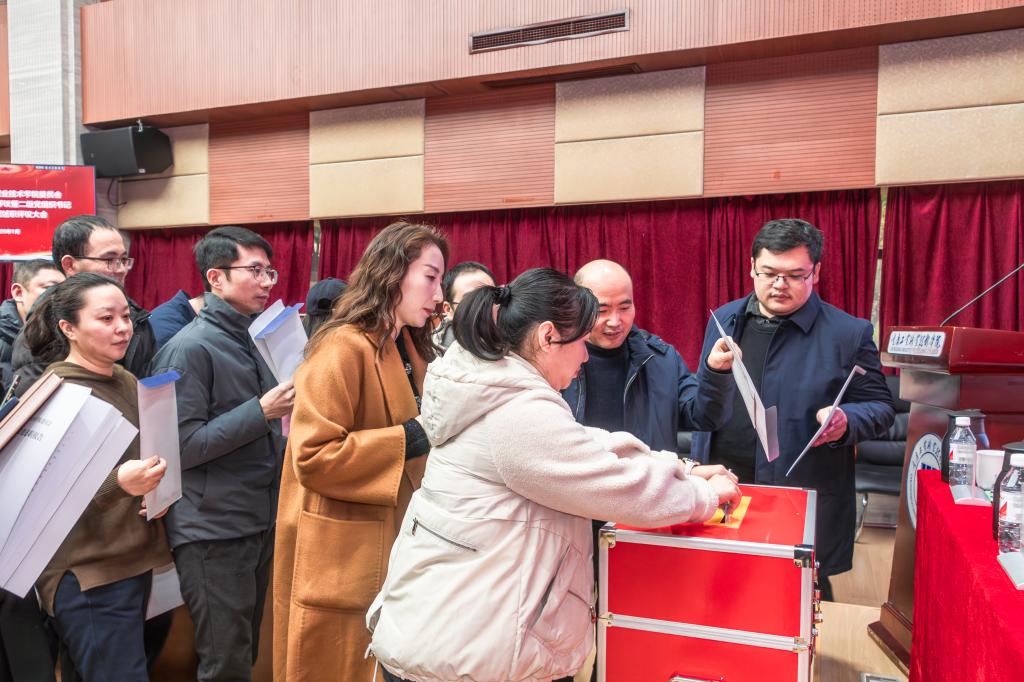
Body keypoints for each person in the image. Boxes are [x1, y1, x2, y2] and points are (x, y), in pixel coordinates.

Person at [366, 268, 741, 682]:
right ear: (547, 337)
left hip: (452, 628)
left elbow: (584, 445)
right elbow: (621, 489)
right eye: (580, 342)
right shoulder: (517, 413)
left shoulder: (496, 385)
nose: (585, 356)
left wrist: (681, 468)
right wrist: (703, 497)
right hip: (467, 653)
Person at [273, 221, 448, 682]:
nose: (438, 294)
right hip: (343, 548)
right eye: (430, 277)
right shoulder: (341, 347)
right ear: (392, 273)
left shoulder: (407, 343)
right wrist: (412, 437)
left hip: (395, 537)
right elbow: (313, 456)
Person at [692, 218, 895, 601]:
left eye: (794, 275)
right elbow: (706, 400)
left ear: (815, 272)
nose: (779, 285)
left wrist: (847, 420)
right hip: (727, 487)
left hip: (799, 491)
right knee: (723, 594)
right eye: (769, 273)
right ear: (752, 267)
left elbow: (881, 408)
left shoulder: (847, 333)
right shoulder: (725, 319)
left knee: (796, 598)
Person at [149, 226, 293, 681]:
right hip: (212, 528)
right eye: (254, 270)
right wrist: (261, 411)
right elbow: (180, 447)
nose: (267, 282)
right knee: (225, 661)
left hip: (255, 517)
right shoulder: (188, 348)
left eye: (269, 271)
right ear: (215, 277)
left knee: (243, 652)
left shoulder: (254, 337)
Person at [22, 273, 172, 681]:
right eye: (106, 318)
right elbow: (38, 497)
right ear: (68, 328)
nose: (123, 328)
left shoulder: (123, 378)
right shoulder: (56, 394)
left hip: (132, 561)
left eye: (125, 316)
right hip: (88, 573)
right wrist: (117, 483)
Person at [10, 215, 156, 395]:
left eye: (124, 260)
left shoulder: (138, 318)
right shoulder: (43, 325)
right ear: (70, 265)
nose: (120, 269)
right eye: (109, 260)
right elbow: (37, 397)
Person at [0, 259, 65, 389]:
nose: (61, 296)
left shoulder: (64, 335)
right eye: (50, 289)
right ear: (18, 293)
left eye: (64, 289)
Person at [433, 261, 495, 350]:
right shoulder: (438, 354)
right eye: (471, 299)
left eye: (490, 296)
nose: (483, 305)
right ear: (448, 309)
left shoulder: (511, 340)